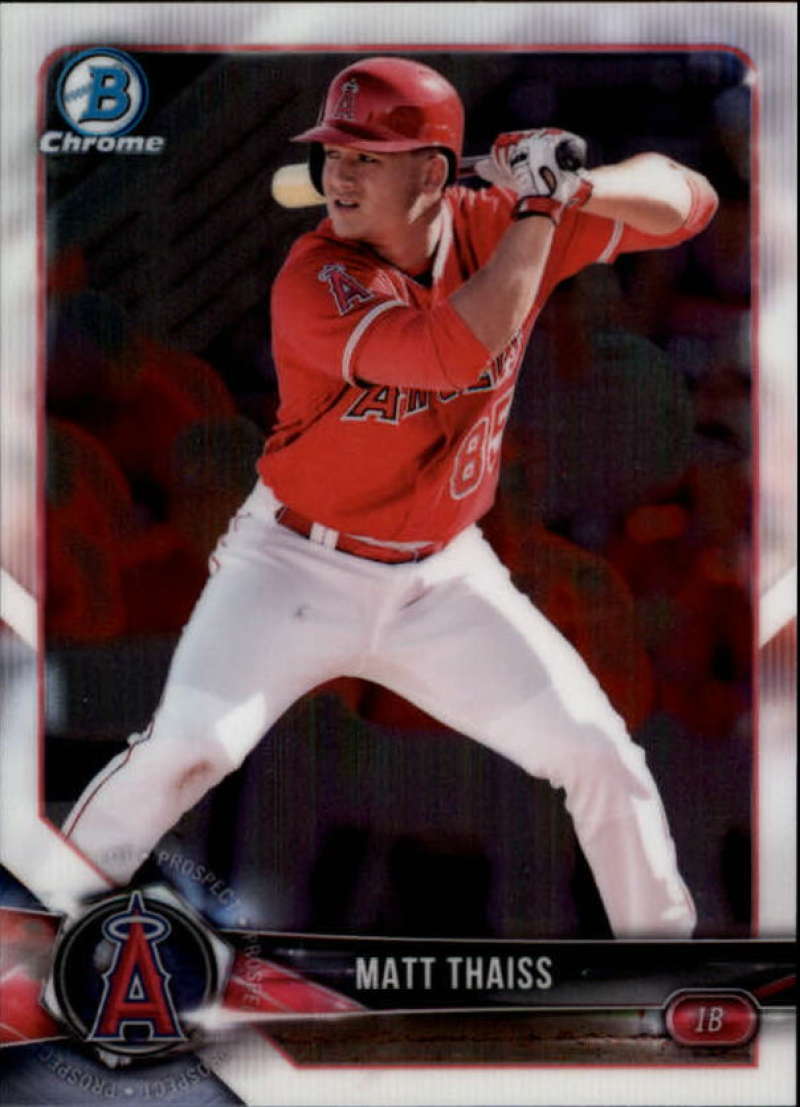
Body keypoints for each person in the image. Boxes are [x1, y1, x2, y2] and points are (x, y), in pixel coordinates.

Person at [60, 56, 718, 936]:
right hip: (293, 567)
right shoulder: (316, 274)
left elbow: (689, 201)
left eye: (366, 156)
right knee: (188, 750)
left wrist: (576, 181)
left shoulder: (498, 221)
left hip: (443, 578)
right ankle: (40, 934)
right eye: (334, 153)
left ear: (434, 174)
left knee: (599, 753)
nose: (337, 174)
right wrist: (538, 210)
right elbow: (450, 353)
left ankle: (664, 967)